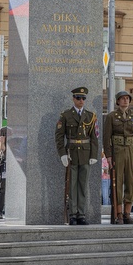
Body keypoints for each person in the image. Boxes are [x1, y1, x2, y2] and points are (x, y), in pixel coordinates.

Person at [55, 86, 99, 225]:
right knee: (72, 185)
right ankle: (73, 214)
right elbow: (59, 136)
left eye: (83, 98)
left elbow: (94, 137)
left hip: (85, 154)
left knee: (83, 185)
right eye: (79, 98)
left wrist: (94, 155)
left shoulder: (91, 116)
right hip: (72, 154)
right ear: (73, 99)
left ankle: (81, 214)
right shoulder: (66, 115)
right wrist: (62, 154)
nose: (81, 101)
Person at [102, 90, 133, 224]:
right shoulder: (111, 117)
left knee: (130, 182)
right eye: (122, 98)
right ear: (118, 101)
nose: (125, 101)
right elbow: (106, 137)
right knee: (117, 183)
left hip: (131, 151)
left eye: (127, 98)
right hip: (117, 151)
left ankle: (127, 213)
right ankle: (118, 214)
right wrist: (108, 155)